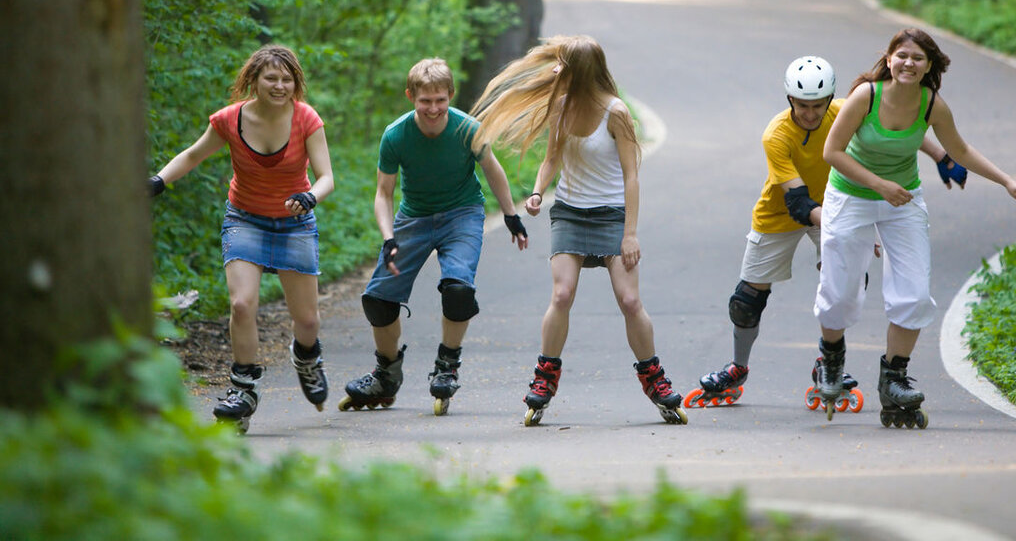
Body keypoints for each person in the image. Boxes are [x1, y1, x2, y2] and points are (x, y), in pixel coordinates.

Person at [687, 56, 966, 412]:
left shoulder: (842, 110)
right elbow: (799, 203)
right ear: (790, 100)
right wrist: (854, 228)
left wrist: (941, 155)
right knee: (746, 301)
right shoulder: (777, 135)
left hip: (840, 201)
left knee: (844, 281)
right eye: (802, 106)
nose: (810, 113)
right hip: (786, 212)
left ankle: (828, 361)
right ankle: (737, 367)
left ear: (829, 99)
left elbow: (897, 128)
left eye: (817, 105)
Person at [815, 28, 1016, 428]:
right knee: (840, 290)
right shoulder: (866, 96)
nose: (908, 64)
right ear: (889, 58)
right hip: (851, 195)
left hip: (903, 200)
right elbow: (831, 152)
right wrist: (879, 185)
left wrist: (1007, 181)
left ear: (929, 66)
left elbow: (961, 150)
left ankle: (894, 377)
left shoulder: (932, 105)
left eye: (918, 58)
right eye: (902, 55)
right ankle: (830, 360)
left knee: (914, 292)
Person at [471, 35, 687, 426]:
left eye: (565, 69)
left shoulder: (616, 112)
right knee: (562, 292)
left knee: (630, 301)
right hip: (570, 212)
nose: (558, 73)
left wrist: (630, 233)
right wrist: (537, 193)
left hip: (611, 216)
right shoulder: (562, 104)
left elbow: (631, 176)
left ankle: (654, 378)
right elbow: (552, 158)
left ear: (582, 74)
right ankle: (545, 377)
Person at [148, 45, 335, 431]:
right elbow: (194, 155)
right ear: (253, 80)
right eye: (271, 78)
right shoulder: (230, 120)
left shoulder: (305, 119)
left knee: (308, 321)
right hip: (245, 219)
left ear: (295, 83)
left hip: (294, 223)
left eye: (287, 79)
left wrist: (309, 197)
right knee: (241, 304)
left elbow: (326, 177)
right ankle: (243, 389)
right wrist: (159, 181)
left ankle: (306, 358)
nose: (280, 86)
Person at [339, 58, 528, 416]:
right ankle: (386, 373)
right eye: (425, 101)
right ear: (411, 96)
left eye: (440, 100)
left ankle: (447, 365)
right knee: (378, 300)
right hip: (414, 216)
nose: (433, 108)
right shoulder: (395, 135)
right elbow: (383, 192)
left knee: (458, 289)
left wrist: (510, 215)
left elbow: (492, 168)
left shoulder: (467, 129)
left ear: (450, 96)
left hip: (462, 213)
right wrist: (388, 236)